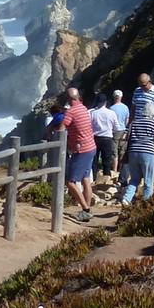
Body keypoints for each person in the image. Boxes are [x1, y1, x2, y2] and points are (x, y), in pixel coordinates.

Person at [51, 87, 97, 223]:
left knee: (70, 182)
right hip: (91, 147)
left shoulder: (70, 112)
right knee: (85, 179)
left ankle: (86, 210)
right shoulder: (83, 108)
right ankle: (86, 209)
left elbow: (61, 129)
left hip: (81, 150)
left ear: (69, 98)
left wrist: (53, 131)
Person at [119, 74, 154, 205]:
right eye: (140, 85)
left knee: (134, 178)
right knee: (148, 179)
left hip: (137, 138)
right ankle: (146, 202)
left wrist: (130, 126)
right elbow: (133, 108)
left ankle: (127, 198)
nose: (142, 87)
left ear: (149, 82)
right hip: (148, 141)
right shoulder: (137, 91)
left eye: (144, 85)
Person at [89, 96, 118, 182]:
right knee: (107, 159)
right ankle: (106, 178)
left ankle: (93, 178)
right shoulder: (111, 113)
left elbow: (89, 126)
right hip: (107, 138)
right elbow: (116, 127)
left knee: (94, 159)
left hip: (95, 137)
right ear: (106, 102)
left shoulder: (92, 113)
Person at [110, 89, 130, 167]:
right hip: (123, 130)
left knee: (114, 152)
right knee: (122, 151)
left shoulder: (111, 108)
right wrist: (126, 130)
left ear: (114, 97)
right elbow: (127, 120)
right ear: (121, 97)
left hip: (114, 131)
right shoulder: (125, 107)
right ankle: (121, 169)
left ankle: (114, 169)